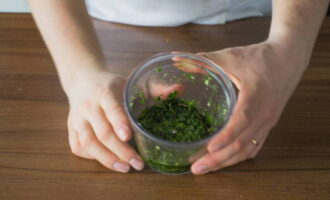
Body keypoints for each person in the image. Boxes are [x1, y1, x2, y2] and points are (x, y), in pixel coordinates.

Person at [28, 0, 329, 175]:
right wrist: (81, 73)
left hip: (255, 17)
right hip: (111, 21)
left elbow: (290, 46)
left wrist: (290, 47)